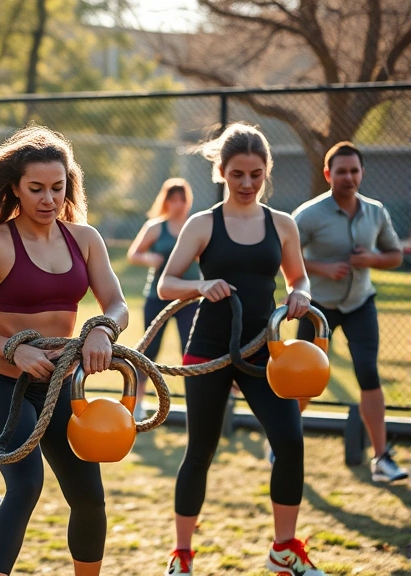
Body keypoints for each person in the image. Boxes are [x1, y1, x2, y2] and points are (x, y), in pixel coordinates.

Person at [0, 126, 128, 576]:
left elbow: (116, 304)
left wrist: (102, 330)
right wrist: (13, 350)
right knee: (24, 487)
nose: (48, 199)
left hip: (62, 386)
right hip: (2, 385)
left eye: (57, 188)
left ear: (68, 186)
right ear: (16, 188)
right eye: (36, 189)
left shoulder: (85, 239)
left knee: (89, 495)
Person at [157, 123, 323, 576]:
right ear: (221, 172)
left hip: (264, 352)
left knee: (290, 442)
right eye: (237, 175)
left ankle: (284, 551)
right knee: (201, 452)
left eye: (255, 174)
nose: (247, 184)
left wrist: (301, 293)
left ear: (266, 171)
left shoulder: (281, 224)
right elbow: (166, 284)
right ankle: (182, 555)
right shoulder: (203, 223)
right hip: (208, 351)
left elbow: (298, 278)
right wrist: (201, 284)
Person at [293, 141, 407, 483]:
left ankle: (381, 459)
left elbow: (395, 256)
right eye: (341, 171)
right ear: (328, 174)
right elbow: (285, 257)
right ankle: (282, 441)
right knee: (305, 382)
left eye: (354, 170)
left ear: (362, 173)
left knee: (368, 374)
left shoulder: (376, 211)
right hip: (317, 310)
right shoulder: (309, 214)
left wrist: (372, 259)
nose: (348, 177)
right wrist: (322, 268)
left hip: (360, 304)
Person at [126, 178, 200, 420]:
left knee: (191, 351)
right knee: (149, 351)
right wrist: (150, 259)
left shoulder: (195, 226)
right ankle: (137, 403)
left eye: (182, 199)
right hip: (157, 298)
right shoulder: (156, 227)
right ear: (166, 201)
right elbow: (134, 254)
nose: (178, 204)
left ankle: (196, 405)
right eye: (173, 199)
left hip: (189, 298)